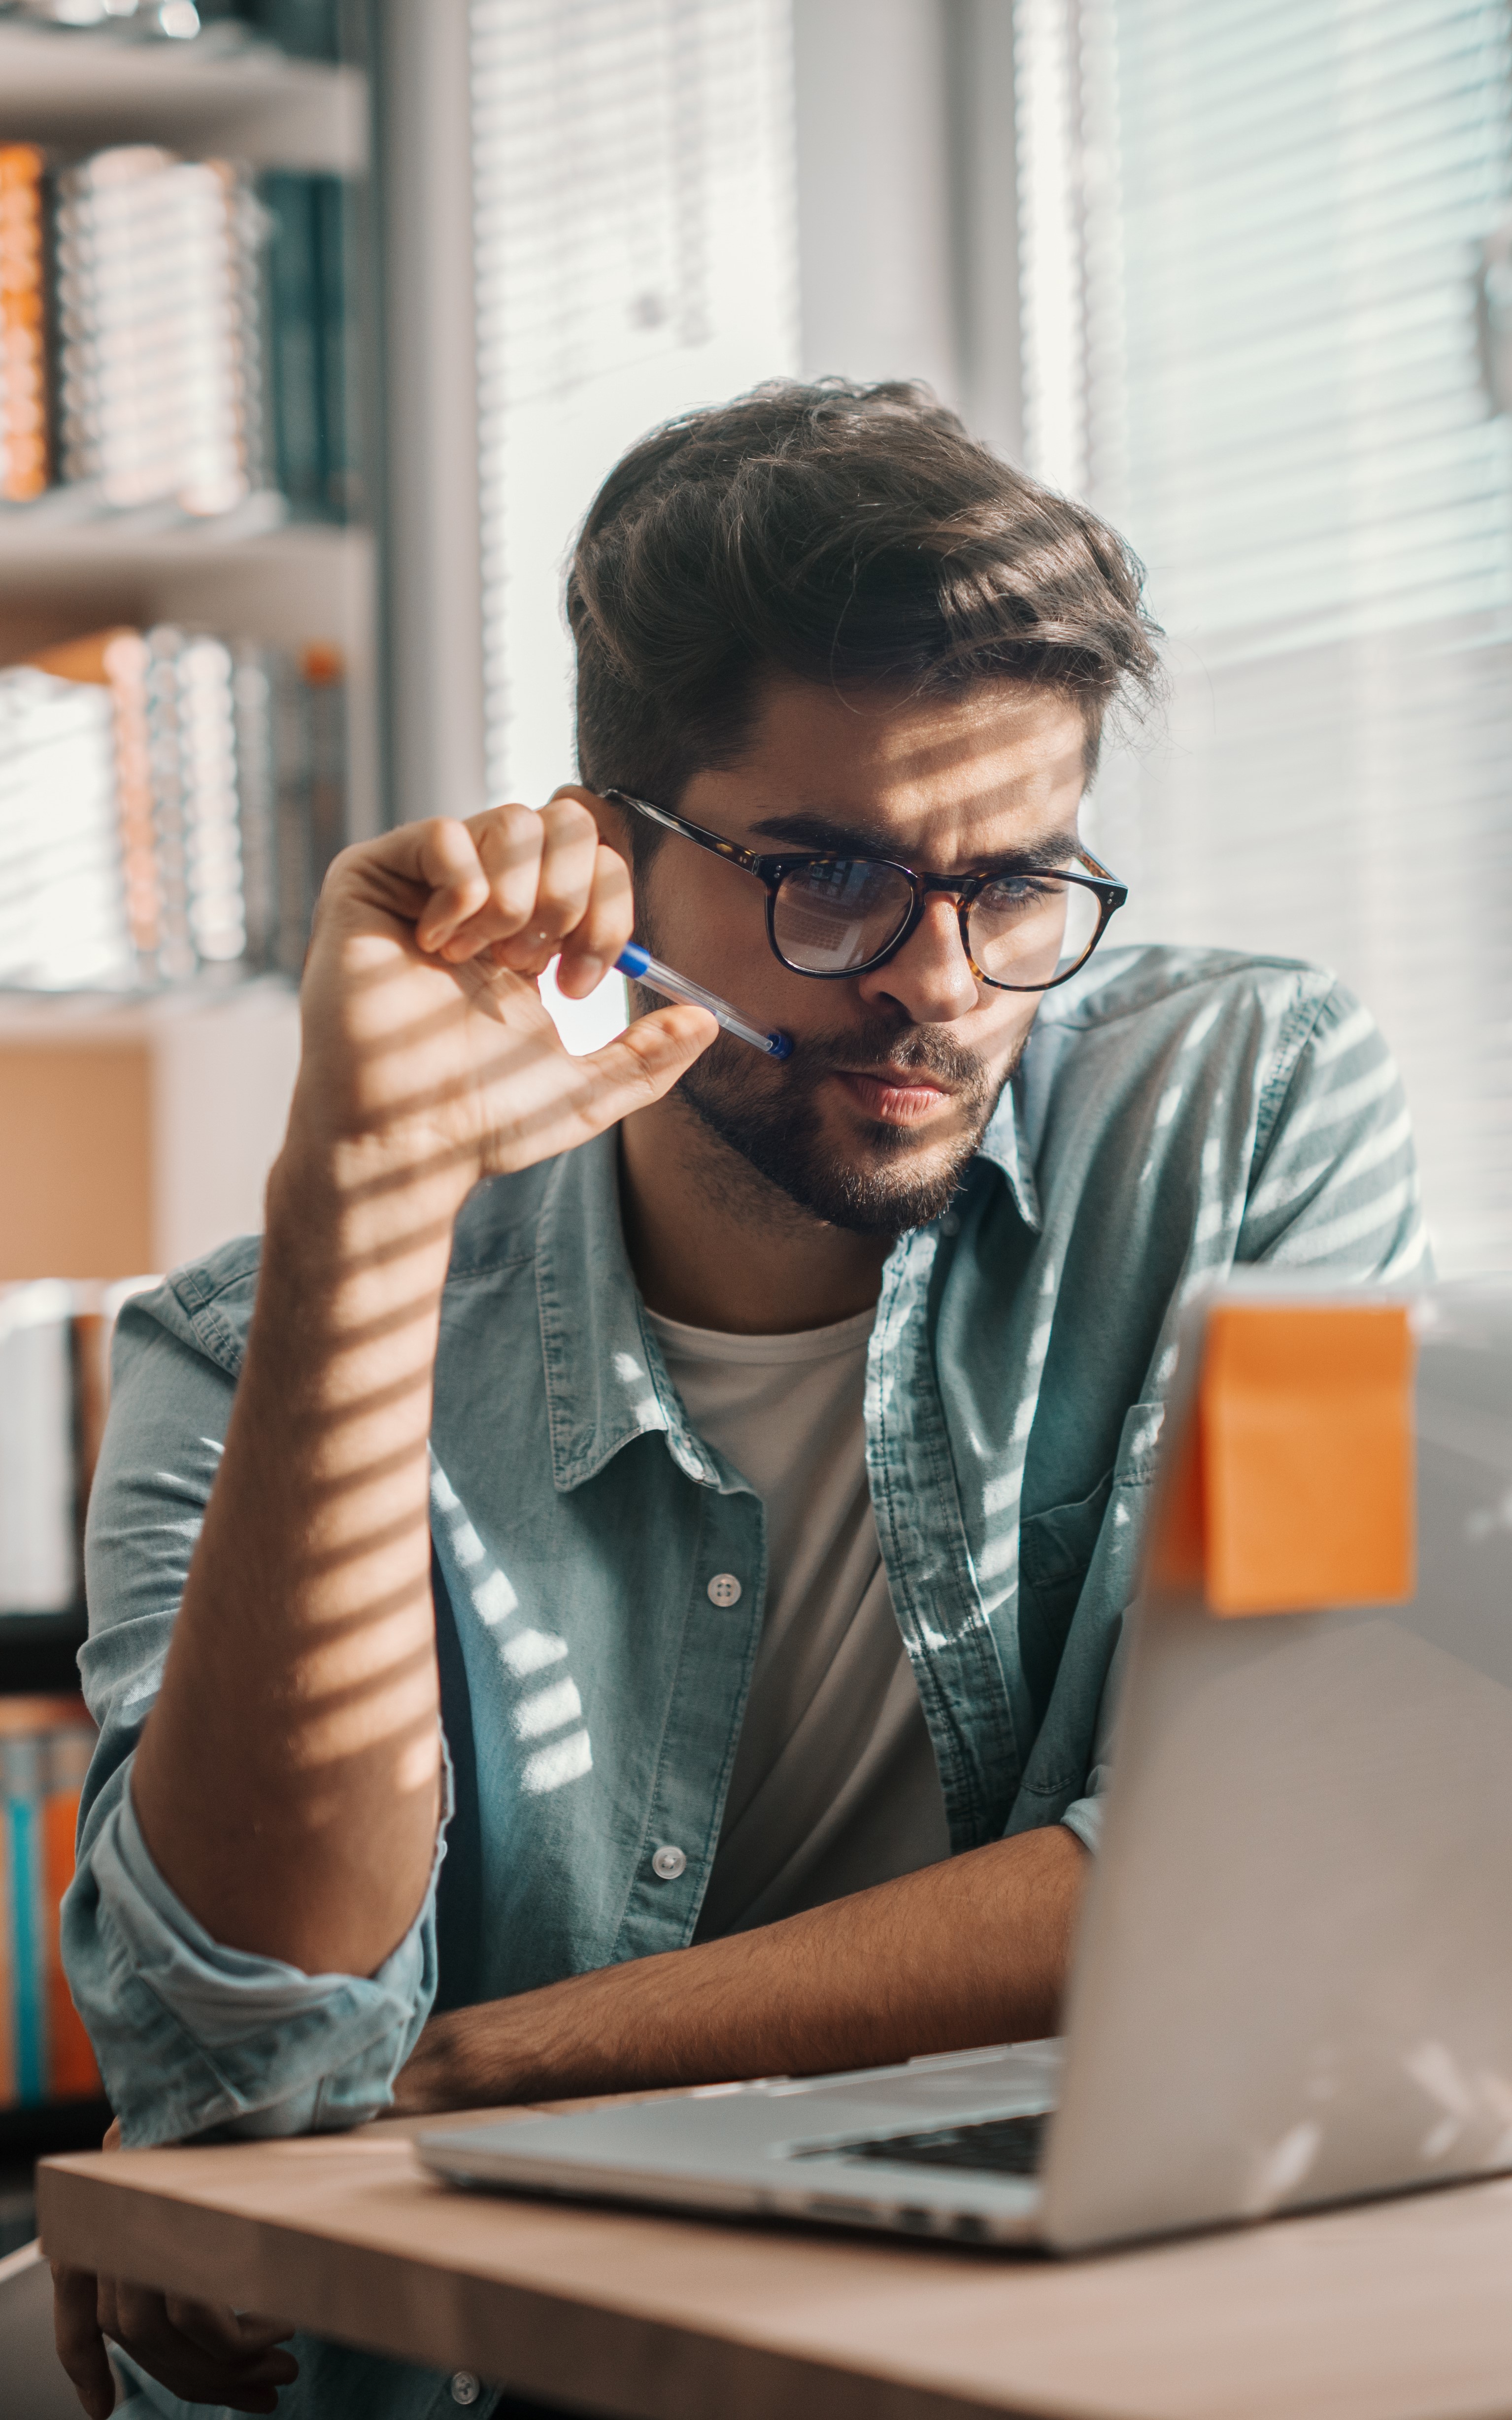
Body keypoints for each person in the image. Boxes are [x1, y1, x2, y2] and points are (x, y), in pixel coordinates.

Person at [52, 383, 1426, 2420]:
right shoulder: (239, 1343)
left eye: (1018, 879)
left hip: (1017, 2335)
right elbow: (248, 2057)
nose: (942, 985)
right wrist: (361, 1206)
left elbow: (1267, 1855)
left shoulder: (1251, 1115)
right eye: (831, 877)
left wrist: (490, 2061)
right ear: (608, 865)